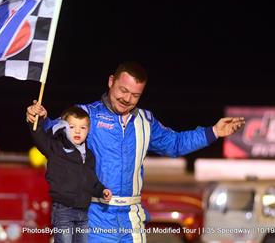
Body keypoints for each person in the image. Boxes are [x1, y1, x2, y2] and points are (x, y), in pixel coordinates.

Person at [26, 62, 245, 243]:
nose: (127, 99)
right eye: (123, 90)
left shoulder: (145, 121)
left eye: (135, 95)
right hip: (93, 217)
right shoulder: (85, 115)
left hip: (132, 219)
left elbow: (176, 144)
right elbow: (53, 135)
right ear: (111, 82)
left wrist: (215, 131)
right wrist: (40, 118)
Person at [28, 105, 112, 243]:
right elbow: (38, 136)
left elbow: (92, 181)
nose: (77, 131)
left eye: (83, 128)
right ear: (63, 127)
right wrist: (36, 120)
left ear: (88, 131)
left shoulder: (89, 156)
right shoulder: (55, 148)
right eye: (72, 127)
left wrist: (102, 190)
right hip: (63, 211)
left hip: (83, 213)